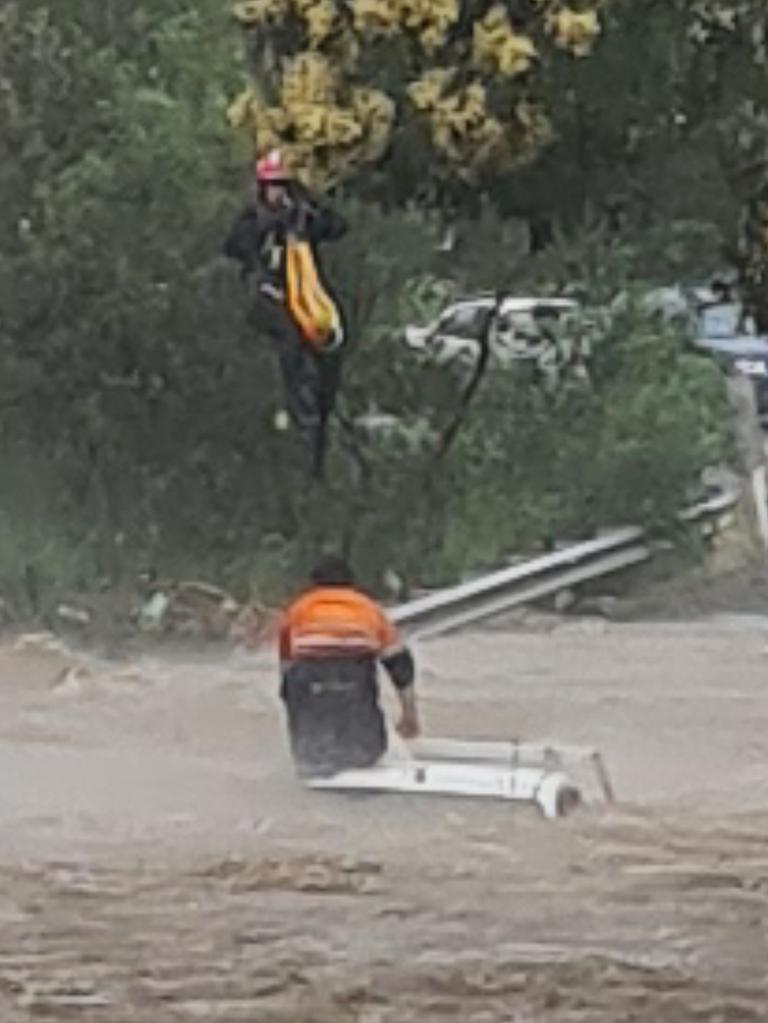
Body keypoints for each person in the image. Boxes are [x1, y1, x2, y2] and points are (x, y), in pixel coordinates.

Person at [224, 150, 347, 478]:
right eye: (271, 186)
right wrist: (267, 229)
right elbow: (233, 245)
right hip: (267, 296)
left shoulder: (300, 218)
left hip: (302, 298)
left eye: (283, 186)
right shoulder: (253, 220)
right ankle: (296, 408)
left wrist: (310, 213)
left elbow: (337, 227)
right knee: (290, 341)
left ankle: (318, 437)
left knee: (329, 345)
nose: (277, 193)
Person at [278, 556, 420, 778]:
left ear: (313, 585)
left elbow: (286, 669)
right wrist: (409, 714)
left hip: (309, 678)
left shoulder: (298, 609)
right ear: (352, 584)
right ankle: (360, 750)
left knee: (311, 744)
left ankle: (310, 756)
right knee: (365, 751)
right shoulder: (368, 608)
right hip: (354, 677)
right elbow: (399, 663)